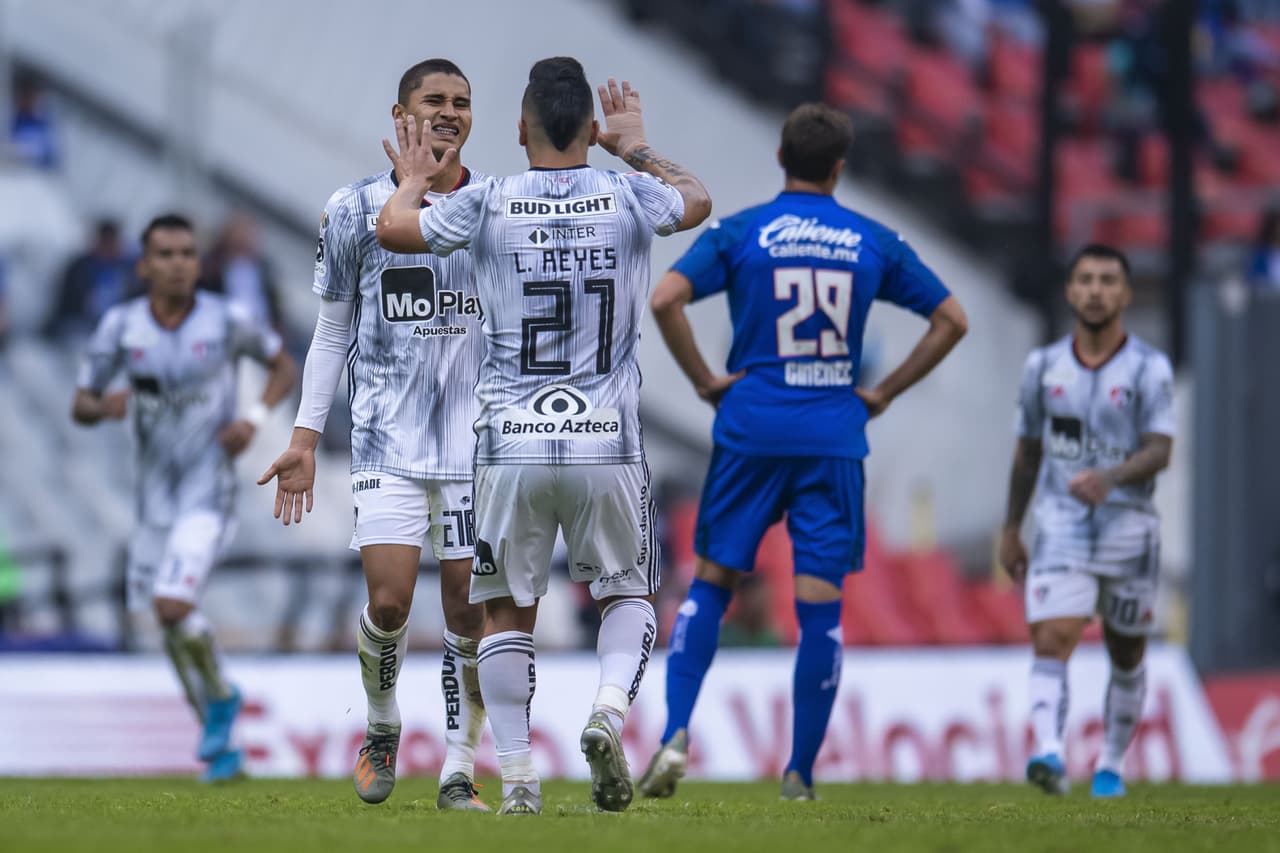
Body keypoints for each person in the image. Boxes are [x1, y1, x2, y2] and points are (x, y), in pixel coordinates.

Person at [376, 57, 711, 815]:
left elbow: (394, 230)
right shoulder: (628, 192)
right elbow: (696, 199)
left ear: (519, 128)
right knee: (628, 590)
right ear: (591, 129)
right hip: (607, 439)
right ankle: (606, 712)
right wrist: (634, 149)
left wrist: (412, 175)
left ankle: (521, 779)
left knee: (502, 611)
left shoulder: (490, 199)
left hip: (510, 440)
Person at [638, 103, 968, 801]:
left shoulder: (745, 231)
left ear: (781, 158)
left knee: (710, 585)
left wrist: (704, 381)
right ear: (839, 168)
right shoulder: (873, 240)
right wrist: (883, 392)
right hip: (831, 435)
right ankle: (800, 772)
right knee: (820, 608)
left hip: (751, 426)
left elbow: (666, 298)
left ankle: (673, 733)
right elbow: (952, 319)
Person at [257, 59, 493, 810]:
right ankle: (383, 724)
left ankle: (460, 767)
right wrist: (302, 438)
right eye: (434, 101)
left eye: (461, 102)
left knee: (468, 610)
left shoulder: (492, 208)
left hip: (473, 447)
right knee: (390, 604)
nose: (449, 112)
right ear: (402, 113)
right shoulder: (352, 208)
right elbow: (330, 334)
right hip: (386, 442)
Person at [72, 213, 296, 781]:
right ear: (144, 265)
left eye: (187, 254)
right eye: (165, 254)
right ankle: (220, 741)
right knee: (169, 626)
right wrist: (106, 405)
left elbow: (282, 365)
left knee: (173, 604)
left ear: (199, 263)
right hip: (152, 502)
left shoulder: (226, 320)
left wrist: (252, 418)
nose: (178, 264)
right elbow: (81, 403)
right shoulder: (120, 328)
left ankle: (221, 705)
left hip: (208, 492)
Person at [999, 243, 1174, 798]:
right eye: (1085, 280)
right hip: (1061, 524)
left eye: (1107, 281)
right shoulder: (1042, 366)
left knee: (1127, 654)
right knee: (1052, 638)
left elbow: (1161, 449)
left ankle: (1111, 766)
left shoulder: (1149, 368)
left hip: (1129, 530)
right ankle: (1048, 754)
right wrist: (1010, 528)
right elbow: (1027, 452)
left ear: (1124, 293)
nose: (1096, 290)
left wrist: (1112, 478)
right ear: (1070, 291)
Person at [43, 220, 139, 341]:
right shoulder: (78, 268)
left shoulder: (130, 270)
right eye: (104, 241)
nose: (107, 247)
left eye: (111, 242)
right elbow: (65, 304)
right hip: (83, 328)